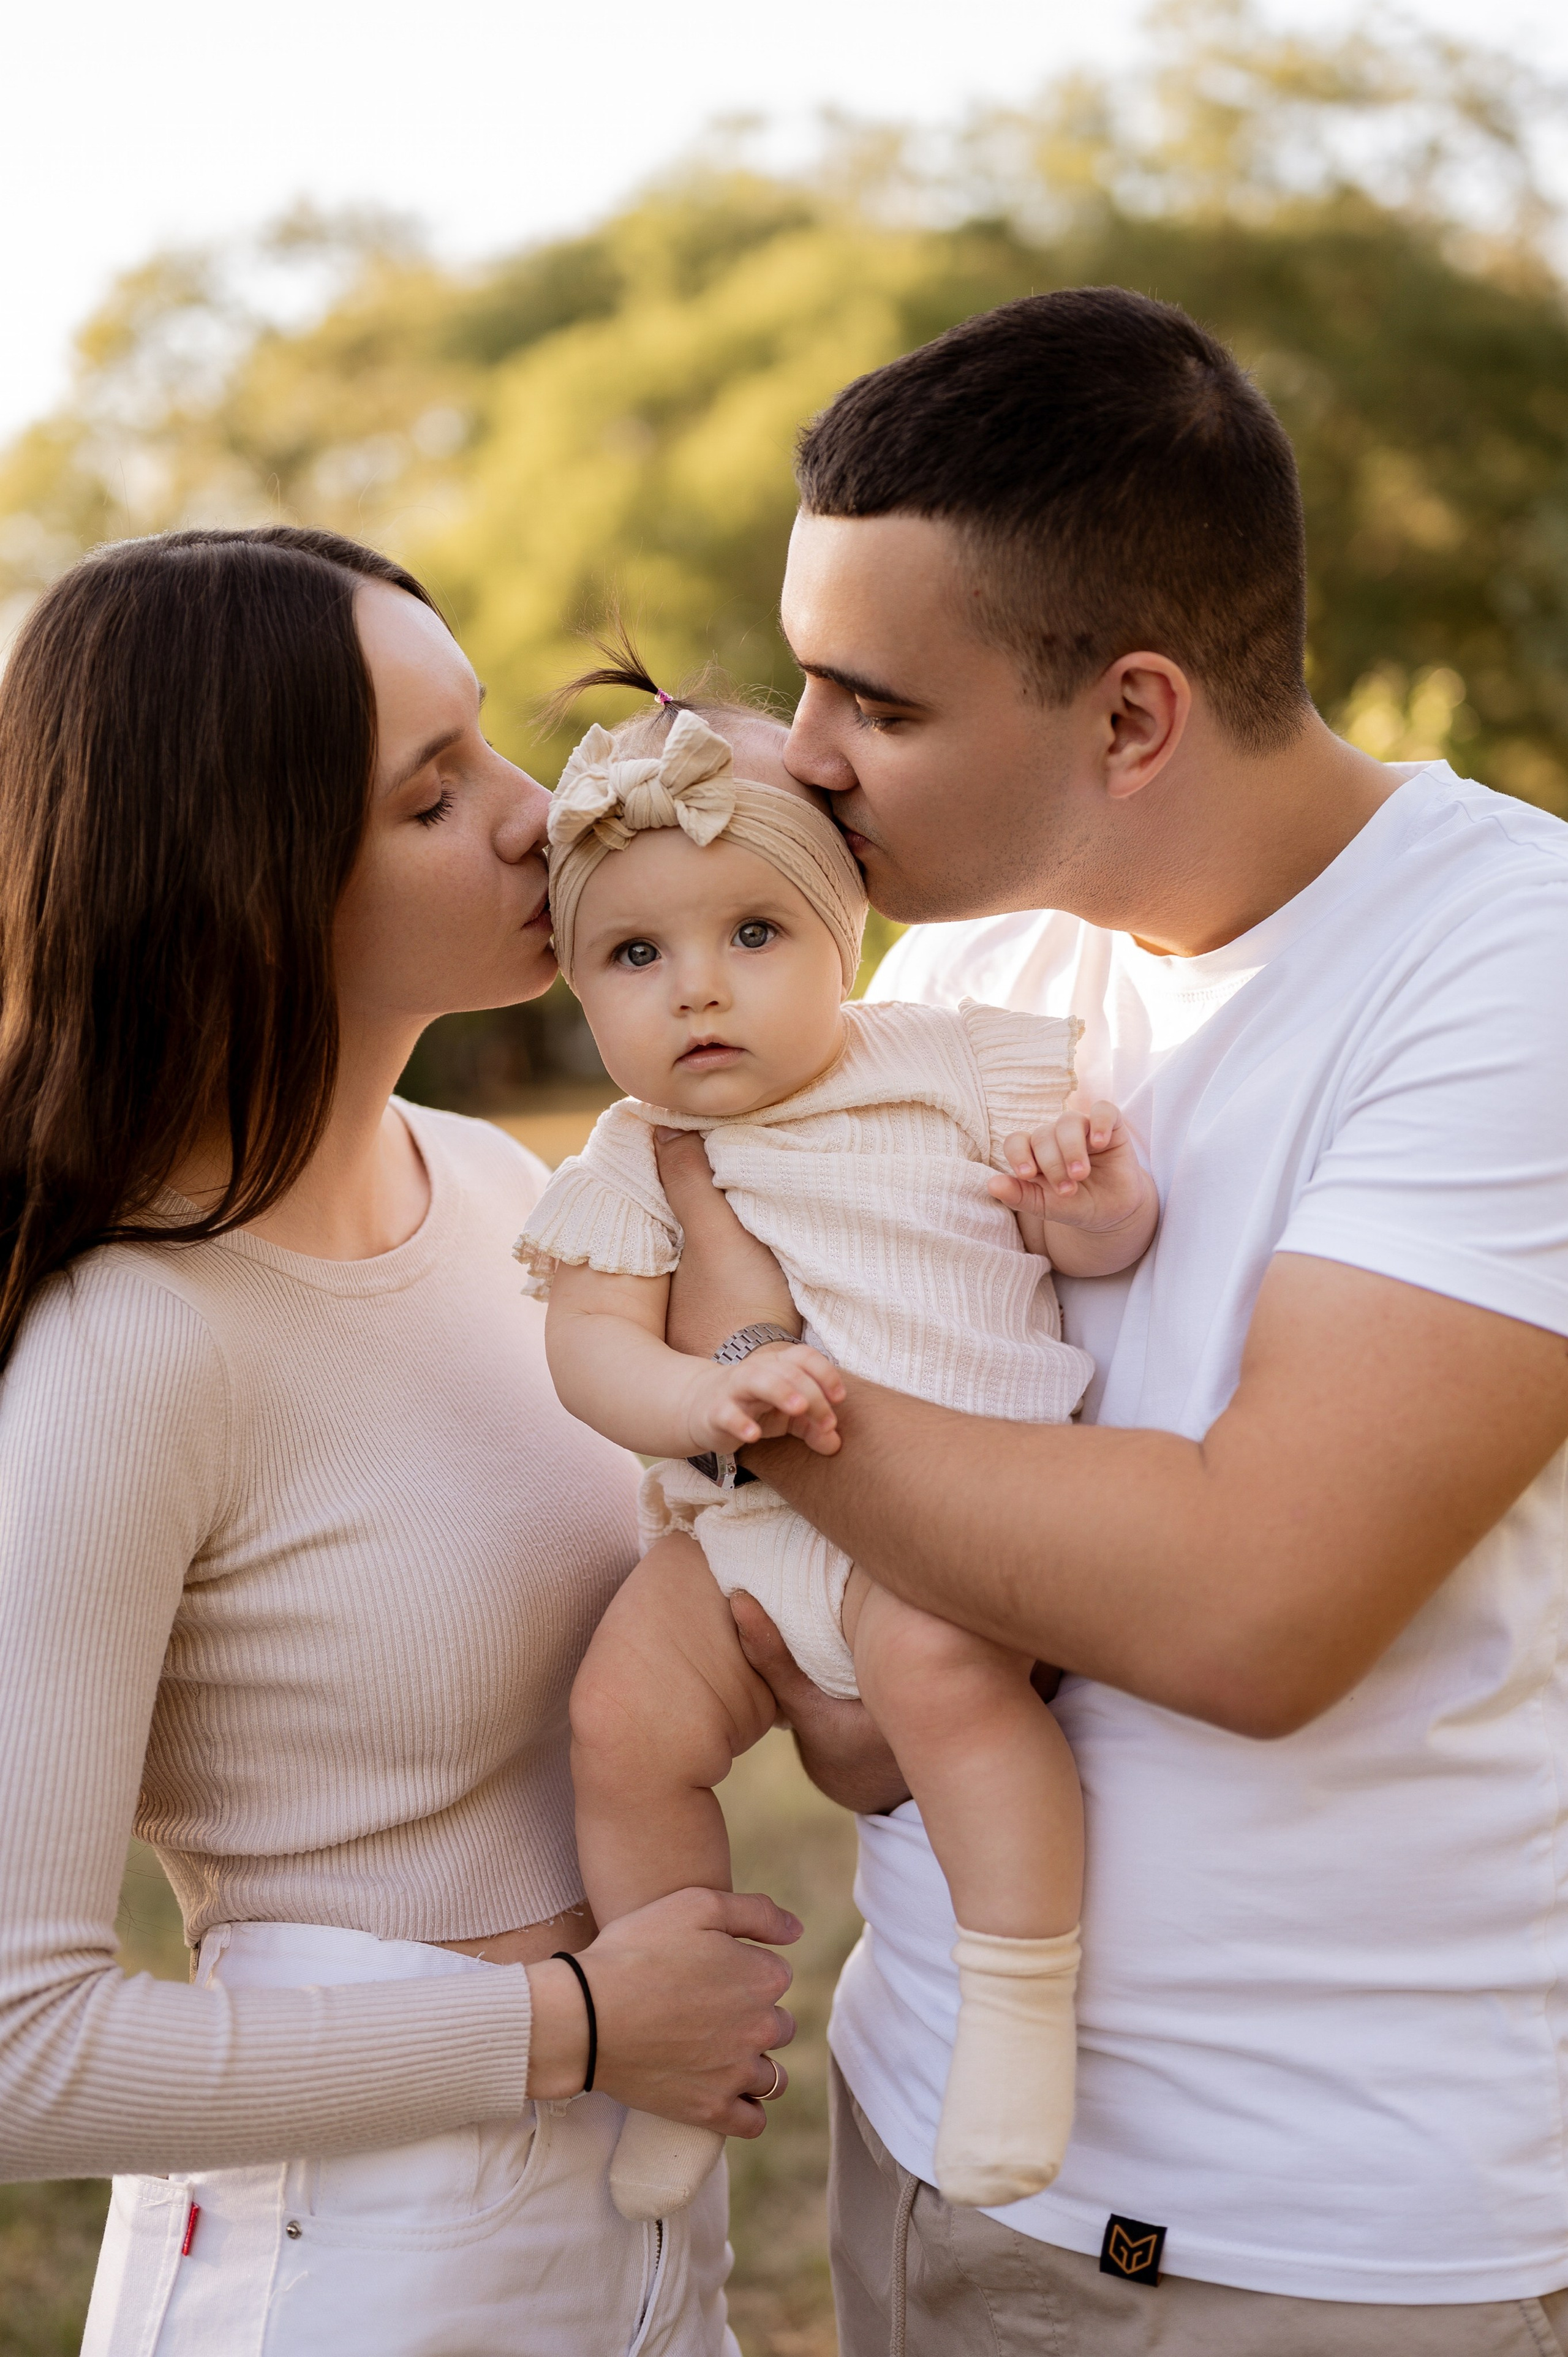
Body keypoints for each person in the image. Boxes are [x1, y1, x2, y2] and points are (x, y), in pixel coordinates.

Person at [652, 287, 1568, 2356]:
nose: (799, 758)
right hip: (922, 2130)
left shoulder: (1510, 971)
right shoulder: (996, 974)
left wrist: (748, 1411)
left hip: (1294, 2244)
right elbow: (889, 1673)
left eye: (867, 699)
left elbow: (1256, 1604)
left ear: (1133, 717)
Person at [0, 526, 799, 2357]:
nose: (541, 818)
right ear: (246, 885)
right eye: (433, 797)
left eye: (497, 747)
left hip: (641, 2227)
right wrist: (572, 2030)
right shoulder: (134, 1342)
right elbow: (19, 2054)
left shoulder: (520, 1199)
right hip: (356, 2263)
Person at [514, 679, 1156, 2224]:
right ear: (581, 991)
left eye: (752, 935)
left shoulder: (951, 1061)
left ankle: (1016, 2012)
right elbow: (590, 1343)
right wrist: (694, 1404)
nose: (698, 993)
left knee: (944, 1682)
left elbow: (1107, 1232)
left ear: (843, 930)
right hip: (740, 1530)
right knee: (617, 1718)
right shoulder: (628, 1153)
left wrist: (1085, 1200)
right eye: (636, 955)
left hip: (945, 1515)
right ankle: (684, 2036)